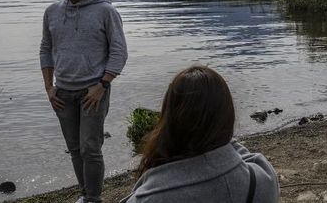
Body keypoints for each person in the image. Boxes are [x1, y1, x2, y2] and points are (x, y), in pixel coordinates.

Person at [40, 0, 128, 203]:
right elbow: (46, 49)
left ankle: (93, 198)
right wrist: (49, 87)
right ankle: (85, 195)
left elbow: (119, 52)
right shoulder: (52, 12)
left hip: (93, 91)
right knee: (75, 149)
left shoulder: (106, 11)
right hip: (62, 93)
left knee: (90, 148)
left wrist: (103, 84)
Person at [120, 65, 280, 203]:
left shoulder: (148, 197)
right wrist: (217, 129)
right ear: (227, 116)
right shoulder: (262, 181)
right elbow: (238, 155)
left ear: (169, 121)